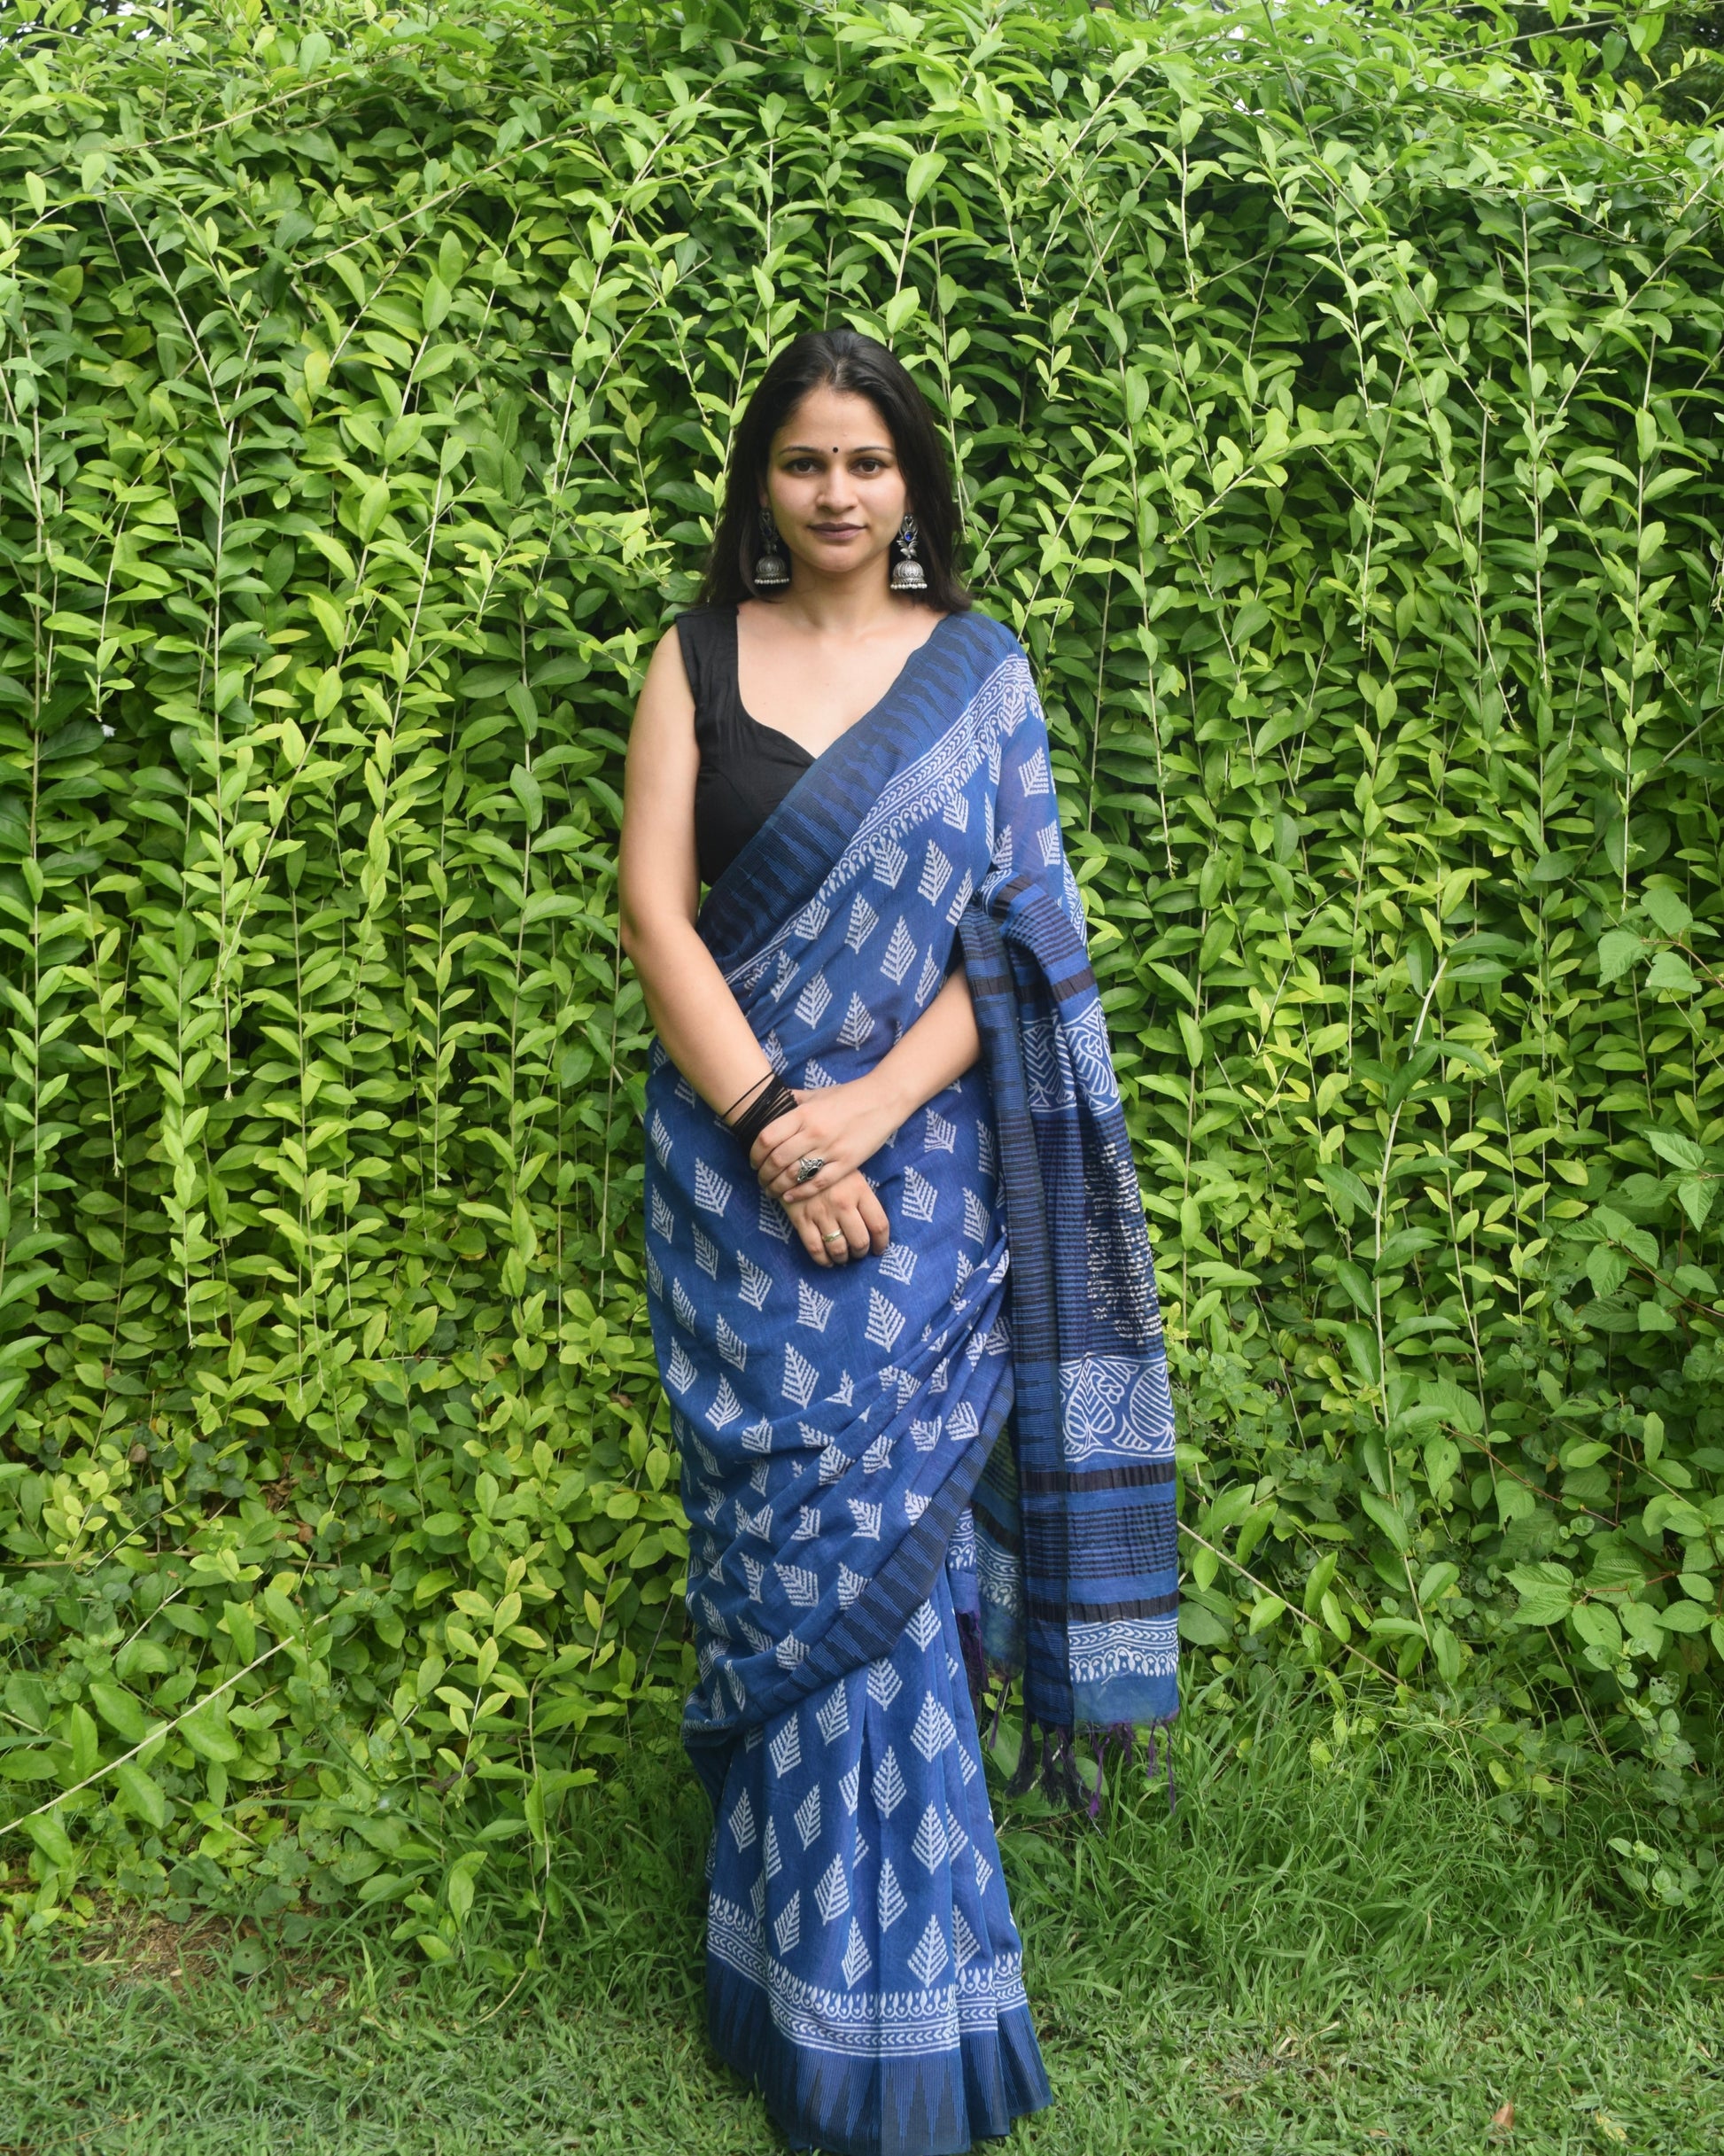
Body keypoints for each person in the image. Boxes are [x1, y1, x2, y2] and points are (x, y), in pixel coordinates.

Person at [618, 329, 1177, 2156]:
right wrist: (779, 1124)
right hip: (735, 1185)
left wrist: (862, 1115)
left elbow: (1019, 935)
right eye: (803, 463)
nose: (837, 493)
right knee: (779, 1556)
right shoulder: (693, 660)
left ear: (912, 483)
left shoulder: (979, 673)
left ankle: (911, 2006)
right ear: (759, 483)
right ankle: (781, 1977)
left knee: (889, 1580)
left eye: (867, 462)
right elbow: (653, 910)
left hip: (919, 1189)